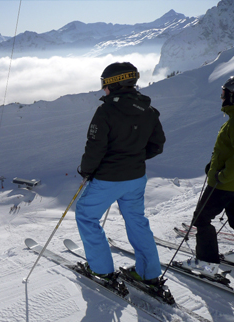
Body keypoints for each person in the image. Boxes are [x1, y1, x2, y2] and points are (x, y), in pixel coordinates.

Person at [75, 62, 166, 285]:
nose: (103, 89)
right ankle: (149, 273)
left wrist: (86, 171)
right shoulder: (149, 110)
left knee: (86, 216)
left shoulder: (105, 111)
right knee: (136, 220)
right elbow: (157, 145)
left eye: (104, 84)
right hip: (136, 178)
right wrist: (133, 159)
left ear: (114, 84)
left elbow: (95, 147)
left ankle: (102, 270)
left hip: (108, 178)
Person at [182, 76, 234, 277]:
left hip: (224, 185)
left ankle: (207, 265)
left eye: (224, 94)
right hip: (229, 182)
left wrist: (221, 175)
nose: (221, 98)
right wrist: (214, 167)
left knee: (202, 218)